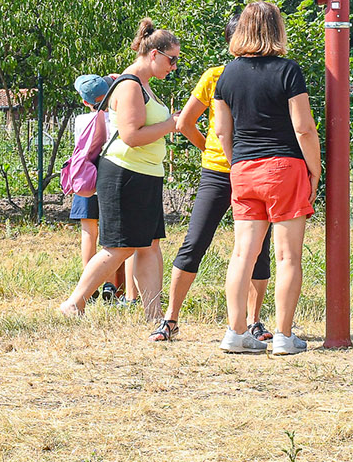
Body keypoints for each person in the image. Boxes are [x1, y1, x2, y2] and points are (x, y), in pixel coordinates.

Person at [154, 18, 274, 343]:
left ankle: (254, 322)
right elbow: (185, 123)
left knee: (259, 249)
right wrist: (210, 148)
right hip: (219, 173)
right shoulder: (215, 75)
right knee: (195, 241)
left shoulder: (269, 75)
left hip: (253, 172)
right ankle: (170, 320)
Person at [211, 1, 321, 356]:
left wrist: (237, 163)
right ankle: (284, 336)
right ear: (277, 29)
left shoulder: (226, 75)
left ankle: (235, 331)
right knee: (288, 257)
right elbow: (303, 127)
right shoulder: (288, 71)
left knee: (242, 253)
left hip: (243, 169)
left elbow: (221, 132)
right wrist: (314, 169)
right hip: (284, 167)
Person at [59, 20, 180, 320]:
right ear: (153, 54)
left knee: (149, 246)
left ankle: (155, 317)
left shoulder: (144, 84)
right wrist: (169, 125)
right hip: (125, 174)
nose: (174, 66)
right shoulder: (129, 85)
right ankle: (74, 302)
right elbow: (131, 135)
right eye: (172, 59)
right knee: (119, 247)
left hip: (145, 174)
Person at [68, 74, 121, 304]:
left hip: (86, 180)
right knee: (111, 236)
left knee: (88, 233)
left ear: (85, 102)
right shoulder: (116, 119)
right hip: (109, 177)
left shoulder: (81, 120)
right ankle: (111, 284)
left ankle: (88, 287)